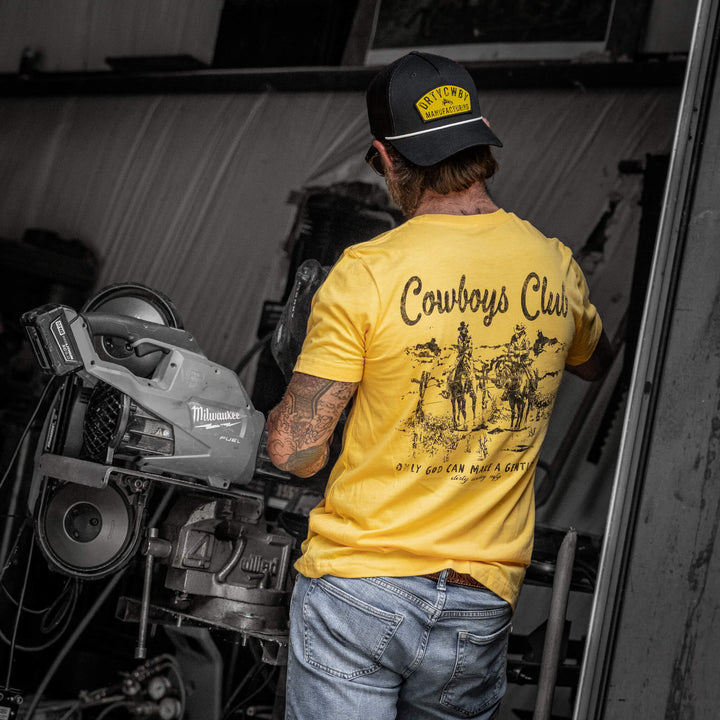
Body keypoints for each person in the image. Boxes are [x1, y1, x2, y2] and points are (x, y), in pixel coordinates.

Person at [266, 50, 612, 720]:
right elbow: (596, 362)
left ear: (385, 157)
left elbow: (297, 452)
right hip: (478, 603)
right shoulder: (556, 267)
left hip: (361, 588)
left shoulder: (367, 271)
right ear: (482, 144)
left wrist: (290, 407)